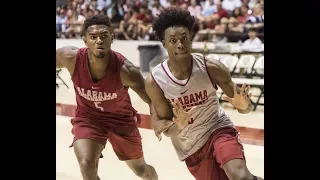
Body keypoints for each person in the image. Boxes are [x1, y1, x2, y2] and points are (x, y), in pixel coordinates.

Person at [145, 8, 263, 180]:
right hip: (191, 147)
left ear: (191, 38)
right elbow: (164, 128)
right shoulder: (155, 81)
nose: (180, 44)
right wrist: (179, 125)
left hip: (218, 129)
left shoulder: (211, 67)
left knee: (240, 176)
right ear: (164, 43)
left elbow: (245, 108)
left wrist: (244, 106)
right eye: (173, 40)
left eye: (184, 38)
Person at [56, 15, 158, 180]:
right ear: (85, 40)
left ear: (112, 38)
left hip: (121, 121)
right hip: (88, 118)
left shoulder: (127, 71)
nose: (99, 41)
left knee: (141, 169)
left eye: (104, 36)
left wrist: (161, 120)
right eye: (93, 37)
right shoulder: (70, 58)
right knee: (86, 164)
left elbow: (152, 99)